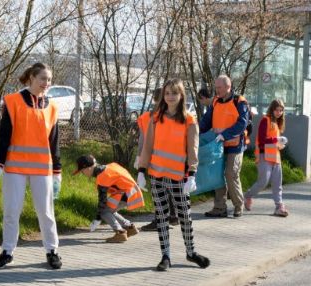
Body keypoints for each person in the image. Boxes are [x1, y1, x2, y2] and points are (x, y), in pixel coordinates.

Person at [0, 62, 62, 270]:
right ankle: (7, 251)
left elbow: (54, 142)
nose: (46, 83)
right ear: (31, 77)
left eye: (49, 79)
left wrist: (57, 171)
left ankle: (52, 251)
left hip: (42, 168)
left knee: (46, 212)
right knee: (11, 211)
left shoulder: (53, 108)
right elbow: (4, 136)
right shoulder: (12, 102)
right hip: (15, 167)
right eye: (42, 79)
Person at [137, 78, 210, 271]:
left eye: (174, 93)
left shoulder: (189, 120)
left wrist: (192, 174)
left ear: (181, 95)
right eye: (167, 93)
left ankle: (191, 252)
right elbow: (148, 145)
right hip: (157, 175)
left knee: (185, 215)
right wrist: (142, 170)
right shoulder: (155, 118)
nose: (170, 97)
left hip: (179, 177)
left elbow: (193, 149)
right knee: (161, 216)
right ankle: (165, 255)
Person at [199, 75, 249, 218]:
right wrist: (195, 132)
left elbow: (242, 123)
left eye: (219, 87)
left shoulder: (239, 102)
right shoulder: (215, 102)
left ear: (228, 87)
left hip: (235, 145)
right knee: (217, 175)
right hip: (218, 145)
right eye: (216, 87)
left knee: (230, 174)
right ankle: (220, 207)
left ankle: (239, 206)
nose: (217, 90)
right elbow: (206, 121)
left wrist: (225, 134)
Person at [136, 88, 179, 231]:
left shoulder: (148, 117)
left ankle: (160, 220)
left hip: (155, 159)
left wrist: (139, 157)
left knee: (158, 190)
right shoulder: (175, 116)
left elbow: (143, 140)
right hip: (172, 159)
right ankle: (172, 216)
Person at [73, 155, 142, 243]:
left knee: (104, 211)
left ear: (88, 168)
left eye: (82, 171)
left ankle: (120, 233)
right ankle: (130, 227)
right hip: (130, 191)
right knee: (109, 210)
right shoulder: (110, 166)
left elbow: (102, 201)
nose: (83, 174)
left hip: (126, 193)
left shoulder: (102, 177)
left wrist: (97, 218)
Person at [244, 99, 289, 217]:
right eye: (277, 110)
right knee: (263, 182)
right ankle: (248, 195)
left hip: (275, 156)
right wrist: (277, 140)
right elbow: (262, 140)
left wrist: (279, 145)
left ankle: (279, 206)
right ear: (272, 109)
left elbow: (273, 141)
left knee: (277, 183)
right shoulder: (265, 120)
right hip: (264, 155)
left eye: (281, 110)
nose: (279, 112)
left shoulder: (278, 123)